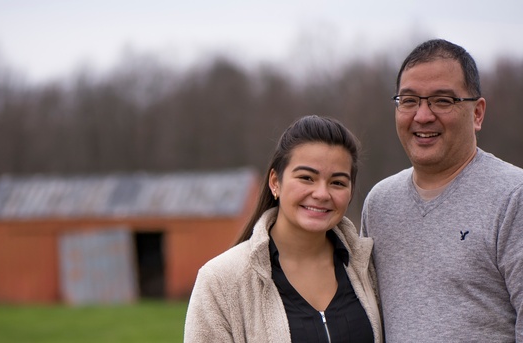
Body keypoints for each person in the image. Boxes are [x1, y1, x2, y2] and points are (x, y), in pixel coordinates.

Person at [361, 39, 523, 342]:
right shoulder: (380, 204)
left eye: (442, 101)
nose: (422, 116)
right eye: (409, 101)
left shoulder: (514, 198)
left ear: (477, 113)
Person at [184, 115, 383, 343]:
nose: (321, 194)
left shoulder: (368, 268)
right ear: (275, 182)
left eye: (337, 182)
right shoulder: (220, 280)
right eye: (307, 178)